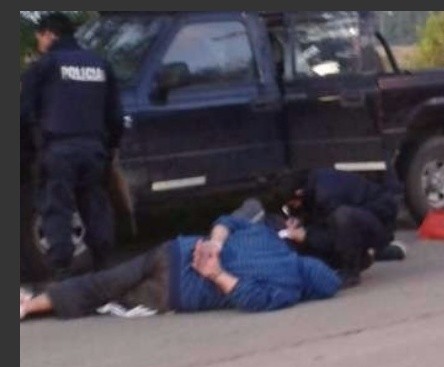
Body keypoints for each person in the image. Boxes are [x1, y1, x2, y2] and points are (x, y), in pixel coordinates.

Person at [19, 206, 342, 322]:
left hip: (176, 251)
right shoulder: (288, 290)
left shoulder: (271, 239)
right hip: (177, 291)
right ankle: (32, 305)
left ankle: (32, 302)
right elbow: (249, 297)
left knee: (104, 282)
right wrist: (216, 273)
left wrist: (214, 244)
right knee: (106, 297)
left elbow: (228, 220)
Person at [20, 13, 124, 279]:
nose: (39, 44)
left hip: (57, 150)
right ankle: (103, 266)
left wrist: (28, 155)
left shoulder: (44, 66)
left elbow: (23, 113)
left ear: (49, 35)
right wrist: (110, 148)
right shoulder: (100, 64)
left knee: (57, 208)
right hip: (94, 149)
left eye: (39, 37)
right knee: (95, 203)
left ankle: (62, 270)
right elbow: (115, 116)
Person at [274, 169, 406, 288]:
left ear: (299, 193)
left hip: (380, 221)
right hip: (365, 217)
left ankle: (351, 271)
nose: (293, 208)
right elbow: (316, 217)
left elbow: (331, 235)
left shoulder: (326, 195)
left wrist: (306, 235)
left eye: (293, 204)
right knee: (323, 237)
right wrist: (300, 220)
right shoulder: (312, 186)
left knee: (341, 219)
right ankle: (372, 254)